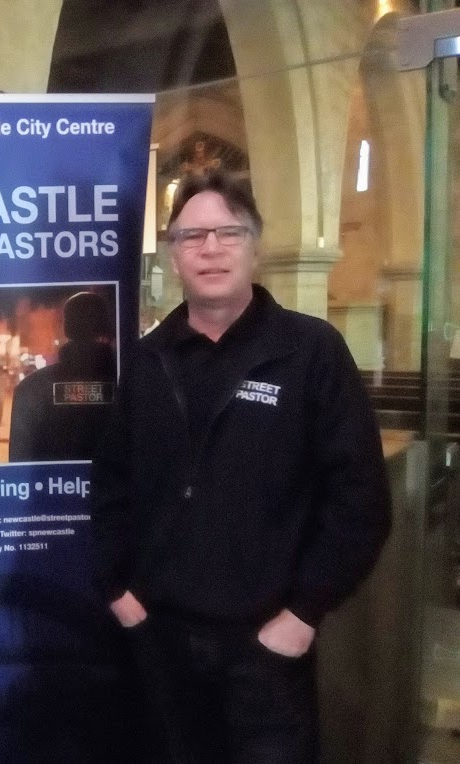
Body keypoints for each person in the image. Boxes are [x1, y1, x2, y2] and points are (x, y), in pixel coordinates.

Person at [90, 170, 391, 763]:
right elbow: (110, 486)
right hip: (161, 643)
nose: (211, 249)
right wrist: (120, 594)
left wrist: (303, 615)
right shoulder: (147, 362)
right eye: (192, 236)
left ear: (255, 245)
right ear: (173, 253)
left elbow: (359, 501)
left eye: (228, 232)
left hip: (266, 652)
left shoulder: (310, 353)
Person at [9, 291, 116, 462]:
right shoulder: (134, 383)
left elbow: (20, 462)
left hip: (53, 487)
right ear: (106, 325)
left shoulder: (31, 387)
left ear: (66, 326)